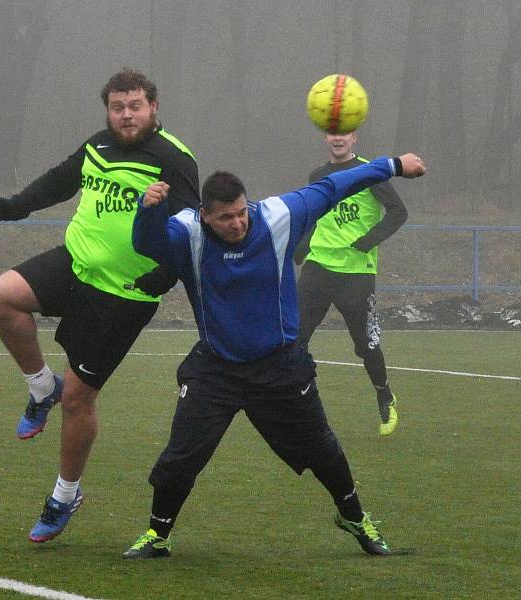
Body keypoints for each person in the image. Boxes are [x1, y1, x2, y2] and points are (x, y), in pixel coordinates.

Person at [124, 153, 425, 559]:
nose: (237, 223)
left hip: (279, 365)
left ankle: (355, 518)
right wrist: (147, 212)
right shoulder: (187, 230)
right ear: (205, 216)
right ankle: (158, 535)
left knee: (324, 451)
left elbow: (336, 186)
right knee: (180, 457)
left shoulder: (279, 215)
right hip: (216, 368)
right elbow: (146, 244)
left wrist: (392, 165)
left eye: (239, 212)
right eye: (225, 218)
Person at [0, 69, 200, 542]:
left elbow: (191, 229)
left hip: (122, 294)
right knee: (1, 297)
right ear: (108, 110)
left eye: (135, 106)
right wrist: (15, 206)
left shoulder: (174, 159)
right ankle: (42, 388)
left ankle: (65, 494)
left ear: (153, 108)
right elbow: (61, 181)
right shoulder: (97, 146)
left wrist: (163, 276)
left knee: (80, 401)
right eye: (118, 107)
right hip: (75, 265)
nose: (126, 115)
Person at [294, 130, 408, 436]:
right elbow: (315, 215)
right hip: (318, 267)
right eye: (332, 132)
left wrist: (368, 241)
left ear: (355, 136)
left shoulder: (370, 173)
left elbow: (399, 212)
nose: (338, 138)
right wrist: (301, 247)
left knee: (366, 345)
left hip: (356, 273)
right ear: (325, 137)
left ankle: (384, 394)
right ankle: (296, 405)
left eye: (344, 132)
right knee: (294, 338)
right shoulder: (318, 175)